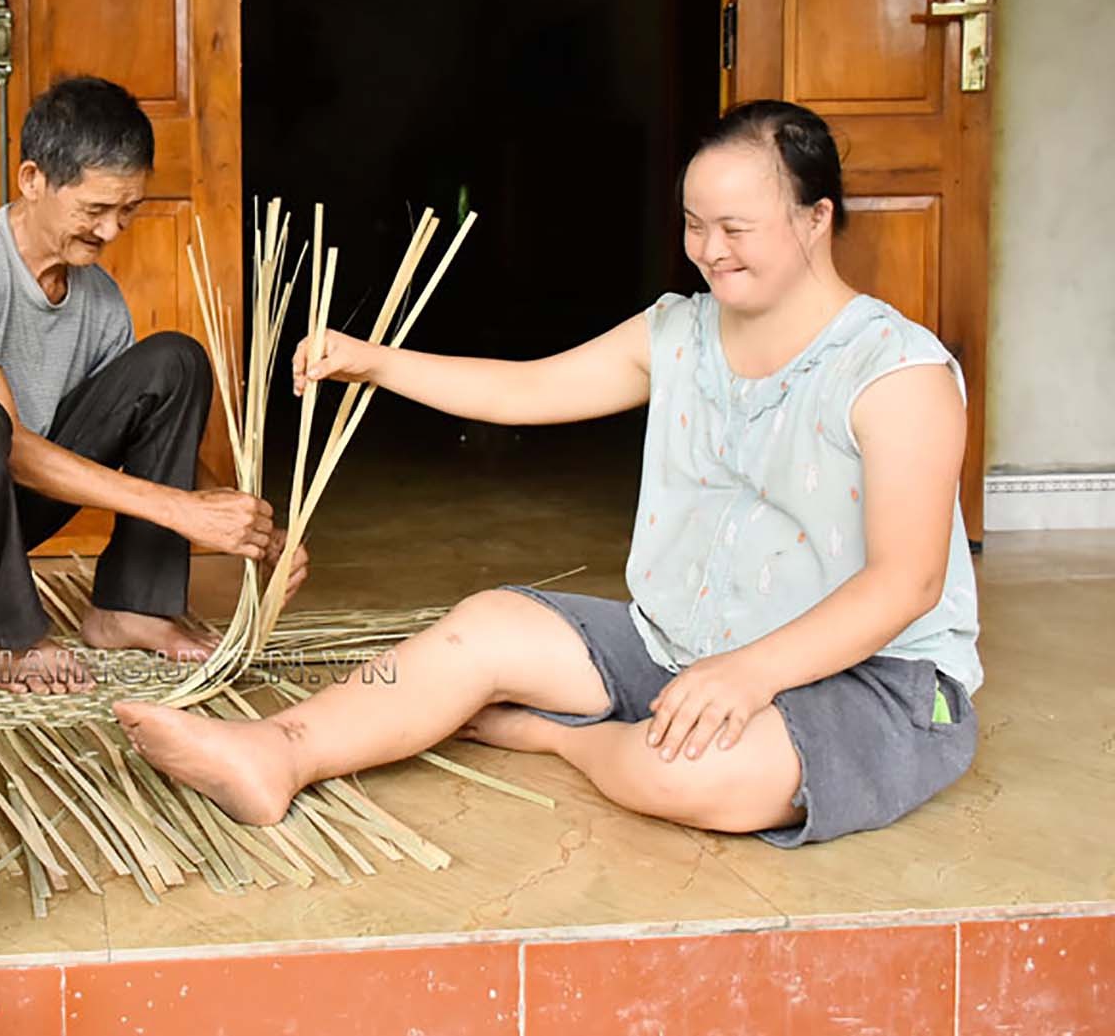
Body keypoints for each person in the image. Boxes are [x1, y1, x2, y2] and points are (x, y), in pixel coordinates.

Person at [116, 100, 982, 847]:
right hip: (680, 646)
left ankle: (558, 735)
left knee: (687, 773)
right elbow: (527, 388)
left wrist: (752, 673)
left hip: (873, 680)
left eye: (736, 228)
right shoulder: (679, 331)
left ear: (815, 217)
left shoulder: (895, 371)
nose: (709, 250)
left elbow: (906, 582)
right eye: (694, 224)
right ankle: (277, 751)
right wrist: (374, 361)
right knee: (485, 626)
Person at [0, 76, 306, 694]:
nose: (112, 231)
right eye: (95, 210)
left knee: (175, 362)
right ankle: (7, 635)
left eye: (128, 210)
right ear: (32, 180)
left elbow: (145, 435)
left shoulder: (98, 298)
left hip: (1, 513)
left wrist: (245, 522)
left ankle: (132, 607)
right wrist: (180, 511)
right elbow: (6, 445)